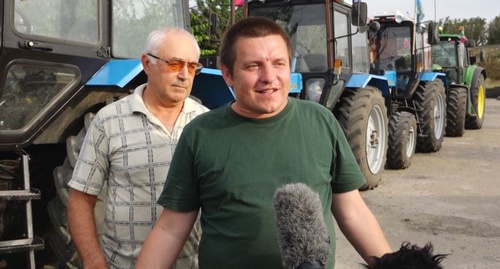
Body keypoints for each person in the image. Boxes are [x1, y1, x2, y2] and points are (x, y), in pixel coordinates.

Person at [136, 17, 392, 269]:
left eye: (278, 63)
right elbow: (171, 228)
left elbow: (353, 212)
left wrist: (394, 264)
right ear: (227, 74)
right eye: (253, 66)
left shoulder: (321, 122)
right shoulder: (200, 134)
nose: (269, 77)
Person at [66, 27, 209, 269]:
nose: (184, 75)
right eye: (175, 64)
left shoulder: (207, 124)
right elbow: (80, 198)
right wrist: (93, 261)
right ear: (147, 63)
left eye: (192, 66)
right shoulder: (109, 121)